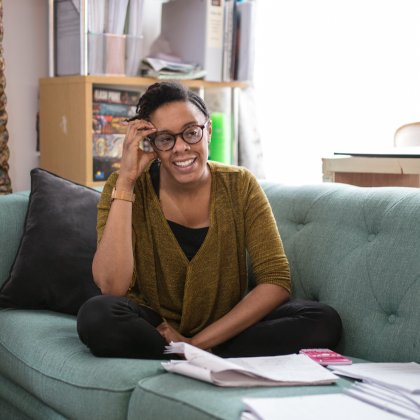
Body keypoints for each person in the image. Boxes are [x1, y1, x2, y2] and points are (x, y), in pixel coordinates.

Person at [77, 81, 342, 359]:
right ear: (152, 145)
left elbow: (275, 280)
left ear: (208, 131)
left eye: (191, 133)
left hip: (223, 326)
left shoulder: (240, 185)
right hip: (154, 325)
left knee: (322, 320)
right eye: (166, 139)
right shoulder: (125, 186)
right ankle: (186, 351)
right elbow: (111, 286)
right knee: (96, 316)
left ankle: (191, 352)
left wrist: (198, 343)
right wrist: (127, 181)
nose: (181, 148)